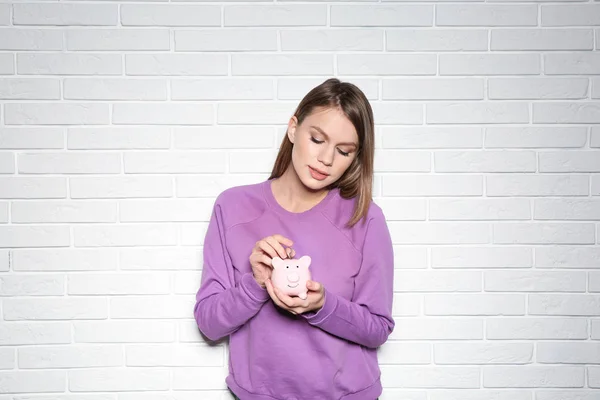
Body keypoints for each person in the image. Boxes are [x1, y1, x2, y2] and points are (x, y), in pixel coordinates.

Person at [193, 78, 395, 400]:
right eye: (317, 139)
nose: (326, 159)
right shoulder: (232, 207)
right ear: (292, 129)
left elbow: (378, 328)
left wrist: (322, 305)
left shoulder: (365, 217)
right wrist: (255, 283)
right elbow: (209, 324)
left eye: (343, 151)